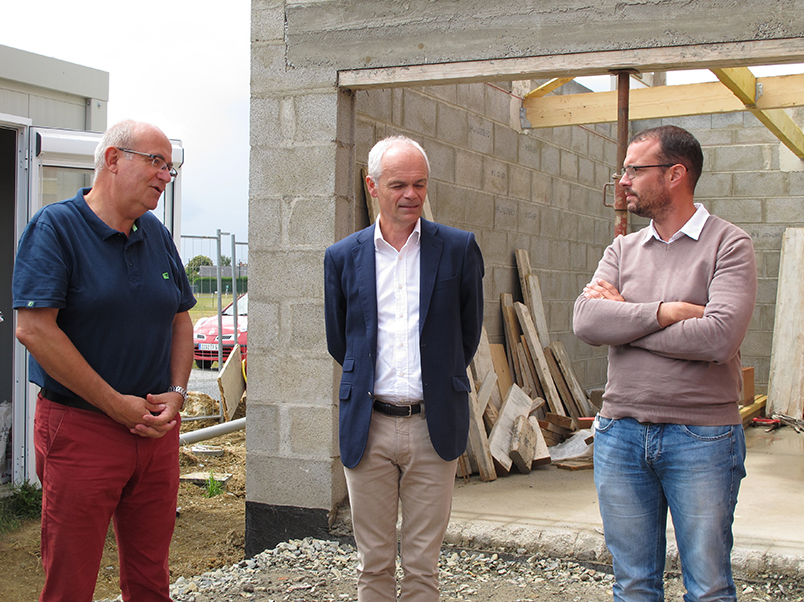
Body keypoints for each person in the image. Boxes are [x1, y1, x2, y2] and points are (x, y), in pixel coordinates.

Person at [12, 120, 195, 602]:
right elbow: (33, 328)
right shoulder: (56, 228)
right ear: (113, 160)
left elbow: (180, 318)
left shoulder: (154, 232)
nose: (164, 175)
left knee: (151, 575)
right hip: (82, 429)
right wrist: (115, 404)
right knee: (71, 577)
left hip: (155, 429)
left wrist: (176, 394)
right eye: (156, 162)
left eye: (170, 168)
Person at [573, 125, 757, 602]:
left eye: (635, 169)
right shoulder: (622, 249)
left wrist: (629, 320)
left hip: (702, 437)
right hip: (620, 433)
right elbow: (587, 322)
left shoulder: (729, 245)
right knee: (632, 584)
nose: (623, 181)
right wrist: (666, 312)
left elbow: (719, 337)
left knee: (709, 585)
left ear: (676, 174)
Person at [324, 135, 484, 602]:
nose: (411, 194)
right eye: (398, 185)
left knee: (421, 567)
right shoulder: (343, 256)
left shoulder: (457, 249)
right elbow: (343, 342)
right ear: (372, 186)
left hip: (432, 427)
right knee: (372, 565)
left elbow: (467, 334)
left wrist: (436, 378)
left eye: (419, 184)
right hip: (368, 427)